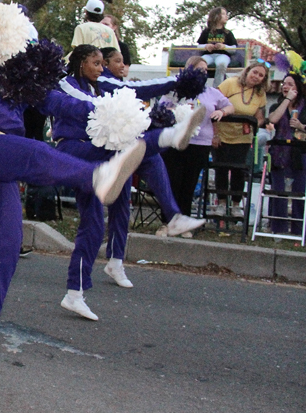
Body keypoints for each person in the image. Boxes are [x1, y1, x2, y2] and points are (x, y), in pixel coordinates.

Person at [0, 43, 146, 377]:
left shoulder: (27, 80)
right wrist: (4, 65)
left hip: (4, 164)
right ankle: (97, 178)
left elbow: (59, 102)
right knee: (36, 153)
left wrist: (108, 112)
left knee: (8, 244)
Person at [54, 45, 204, 316]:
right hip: (75, 152)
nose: (102, 69)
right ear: (80, 63)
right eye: (96, 63)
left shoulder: (100, 83)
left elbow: (137, 90)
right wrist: (128, 116)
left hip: (100, 154)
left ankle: (75, 293)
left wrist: (179, 81)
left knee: (94, 224)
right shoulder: (66, 84)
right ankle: (171, 202)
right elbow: (83, 106)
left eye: (103, 64)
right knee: (140, 151)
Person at [160, 56, 234, 226]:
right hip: (176, 141)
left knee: (190, 183)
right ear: (188, 69)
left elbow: (229, 105)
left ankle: (184, 221)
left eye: (206, 70)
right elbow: (163, 107)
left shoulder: (212, 92)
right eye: (200, 69)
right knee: (173, 182)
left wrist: (222, 112)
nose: (204, 72)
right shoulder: (175, 89)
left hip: (200, 144)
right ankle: (168, 221)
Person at [213, 62, 269, 217]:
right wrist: (214, 134)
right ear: (248, 71)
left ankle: (236, 205)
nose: (256, 77)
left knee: (239, 170)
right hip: (222, 135)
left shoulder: (260, 93)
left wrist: (254, 124)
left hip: (243, 137)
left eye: (261, 75)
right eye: (255, 72)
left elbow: (259, 117)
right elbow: (213, 106)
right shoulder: (230, 83)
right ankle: (222, 203)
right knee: (221, 169)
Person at [266, 72, 306, 236]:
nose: (285, 87)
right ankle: (278, 229)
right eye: (284, 83)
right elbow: (273, 119)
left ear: (298, 88)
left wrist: (301, 126)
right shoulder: (277, 105)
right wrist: (287, 100)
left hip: (300, 152)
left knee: (299, 191)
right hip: (280, 153)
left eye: (290, 84)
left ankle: (298, 230)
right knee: (279, 191)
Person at [197, 6, 238, 87]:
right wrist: (206, 46)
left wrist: (224, 47)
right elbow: (199, 46)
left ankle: (217, 87)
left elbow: (234, 49)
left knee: (221, 64)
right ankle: (200, 86)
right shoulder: (206, 32)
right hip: (208, 55)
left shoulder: (228, 33)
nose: (226, 16)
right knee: (200, 64)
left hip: (222, 55)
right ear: (216, 16)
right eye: (223, 14)